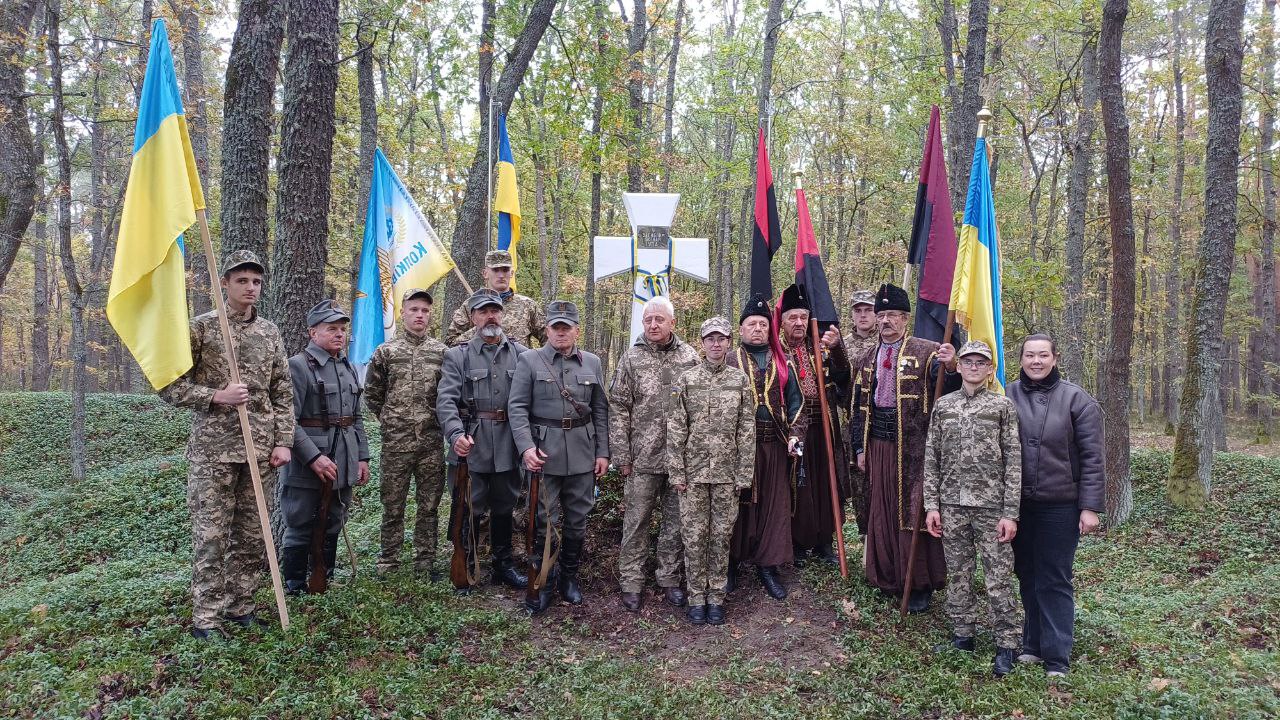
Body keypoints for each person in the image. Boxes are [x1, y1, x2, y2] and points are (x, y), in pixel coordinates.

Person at [159, 250, 294, 639]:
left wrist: (283, 442)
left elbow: (282, 391)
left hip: (260, 451)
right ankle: (206, 618)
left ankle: (240, 607)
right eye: (242, 281)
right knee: (212, 537)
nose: (250, 288)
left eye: (256, 282)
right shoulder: (201, 329)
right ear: (225, 283)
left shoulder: (269, 332)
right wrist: (216, 396)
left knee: (253, 535)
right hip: (213, 453)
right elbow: (169, 385)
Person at [850, 283, 959, 612]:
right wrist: (859, 448)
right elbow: (857, 409)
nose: (886, 321)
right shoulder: (866, 357)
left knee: (914, 510)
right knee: (881, 508)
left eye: (893, 315)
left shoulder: (927, 352)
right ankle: (886, 576)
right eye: (882, 315)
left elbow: (948, 388)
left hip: (914, 447)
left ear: (906, 318)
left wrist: (951, 366)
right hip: (878, 444)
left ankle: (919, 582)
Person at [1006, 333, 1104, 678]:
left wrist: (1090, 507)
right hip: (1017, 504)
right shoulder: (1005, 395)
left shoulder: (1077, 400)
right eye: (1030, 355)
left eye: (1043, 355)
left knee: (1054, 577)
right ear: (1021, 359)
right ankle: (1032, 644)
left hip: (1060, 505)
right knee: (1026, 573)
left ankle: (1057, 655)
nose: (1036, 361)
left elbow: (1093, 458)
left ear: (1054, 358)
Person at [924, 340, 1023, 677]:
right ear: (960, 366)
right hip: (952, 505)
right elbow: (932, 458)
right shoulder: (944, 405)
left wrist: (1010, 513)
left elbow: (1014, 461)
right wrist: (931, 505)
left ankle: (1007, 643)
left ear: (990, 369)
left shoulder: (1002, 406)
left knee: (998, 577)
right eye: (968, 361)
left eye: (981, 362)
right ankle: (963, 635)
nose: (974, 367)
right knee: (959, 574)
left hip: (991, 507)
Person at [508, 301, 610, 613]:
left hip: (582, 453)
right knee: (544, 521)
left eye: (567, 328)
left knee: (578, 519)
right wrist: (526, 448)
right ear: (547, 330)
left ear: (577, 330)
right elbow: (517, 408)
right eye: (556, 327)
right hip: (544, 454)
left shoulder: (592, 362)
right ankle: (544, 580)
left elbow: (600, 410)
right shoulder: (529, 360)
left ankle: (569, 578)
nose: (561, 333)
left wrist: (603, 452)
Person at [610, 295, 701, 611]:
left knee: (675, 523)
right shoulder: (631, 358)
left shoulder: (690, 357)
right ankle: (631, 582)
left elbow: (698, 407)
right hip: (642, 458)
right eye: (648, 319)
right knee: (636, 521)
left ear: (672, 322)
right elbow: (618, 406)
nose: (653, 325)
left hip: (679, 459)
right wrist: (622, 454)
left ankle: (669, 578)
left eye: (659, 319)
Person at [436, 289, 529, 589]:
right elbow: (446, 401)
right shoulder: (457, 355)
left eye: (495, 310)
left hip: (508, 443)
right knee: (468, 506)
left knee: (505, 505)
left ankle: (503, 565)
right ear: (473, 317)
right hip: (471, 443)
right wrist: (455, 434)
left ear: (502, 315)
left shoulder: (522, 354)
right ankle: (466, 563)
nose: (490, 316)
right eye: (483, 311)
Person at [669, 317, 756, 625]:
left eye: (721, 339)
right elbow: (676, 427)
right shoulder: (687, 379)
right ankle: (696, 597)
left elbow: (746, 429)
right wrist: (677, 472)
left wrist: (744, 474)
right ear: (702, 343)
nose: (716, 344)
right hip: (692, 475)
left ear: (729, 342)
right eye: (710, 339)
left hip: (727, 475)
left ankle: (716, 597)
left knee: (720, 536)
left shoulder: (739, 380)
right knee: (694, 538)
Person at [280, 300, 371, 594]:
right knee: (300, 521)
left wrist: (362, 457)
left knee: (334, 519)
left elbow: (355, 417)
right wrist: (313, 457)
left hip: (343, 457)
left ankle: (324, 578)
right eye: (331, 328)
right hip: (307, 464)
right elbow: (287, 421)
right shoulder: (297, 366)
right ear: (312, 332)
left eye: (342, 329)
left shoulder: (346, 366)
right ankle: (295, 585)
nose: (339, 334)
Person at [365, 288, 449, 579]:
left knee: (429, 505)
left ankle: (425, 561)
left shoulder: (441, 353)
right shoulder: (386, 352)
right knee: (392, 504)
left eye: (425, 311)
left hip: (431, 442)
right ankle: (389, 562)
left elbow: (448, 395)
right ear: (403, 313)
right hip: (396, 444)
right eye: (414, 310)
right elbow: (373, 394)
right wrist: (392, 420)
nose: (419, 315)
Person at [727, 293, 802, 600]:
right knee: (737, 504)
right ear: (741, 329)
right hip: (739, 447)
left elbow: (796, 402)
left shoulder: (782, 360)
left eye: (762, 324)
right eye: (751, 324)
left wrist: (795, 435)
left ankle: (768, 566)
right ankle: (731, 563)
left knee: (774, 505)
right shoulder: (729, 360)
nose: (757, 329)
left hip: (775, 444)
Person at [777, 284, 850, 566]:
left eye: (803, 317)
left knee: (825, 482)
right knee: (798, 482)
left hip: (824, 427)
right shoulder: (777, 351)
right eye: (793, 318)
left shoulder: (820, 346)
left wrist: (838, 348)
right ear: (782, 321)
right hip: (794, 429)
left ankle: (824, 542)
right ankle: (797, 542)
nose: (799, 323)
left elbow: (843, 376)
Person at [445, 250, 547, 347]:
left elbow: (549, 340)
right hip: (482, 359)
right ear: (485, 273)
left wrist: (536, 359)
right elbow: (451, 343)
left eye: (505, 270)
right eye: (495, 270)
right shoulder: (471, 305)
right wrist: (481, 328)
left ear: (511, 273)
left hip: (518, 359)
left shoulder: (527, 305)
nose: (501, 275)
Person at [841, 289, 878, 535]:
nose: (863, 315)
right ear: (852, 315)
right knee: (858, 483)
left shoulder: (887, 342)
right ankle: (865, 535)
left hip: (881, 423)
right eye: (858, 310)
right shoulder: (842, 346)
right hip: (852, 424)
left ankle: (883, 538)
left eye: (868, 310)